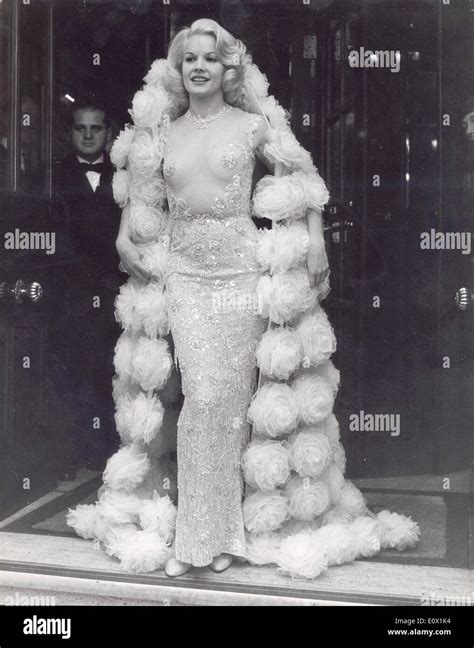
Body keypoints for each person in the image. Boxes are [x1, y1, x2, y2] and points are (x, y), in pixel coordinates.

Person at [67, 19, 420, 581]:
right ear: (179, 70)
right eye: (190, 59)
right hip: (184, 276)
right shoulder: (162, 135)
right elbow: (137, 202)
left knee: (228, 407)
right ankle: (199, 535)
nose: (200, 66)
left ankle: (224, 533)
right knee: (201, 399)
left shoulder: (253, 126)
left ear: (228, 67)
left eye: (211, 58)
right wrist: (119, 238)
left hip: (239, 275)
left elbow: (303, 178)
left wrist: (315, 240)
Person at [53, 100, 122, 478]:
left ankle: (106, 453)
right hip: (71, 292)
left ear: (109, 134)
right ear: (70, 133)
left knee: (107, 369)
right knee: (71, 371)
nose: (89, 135)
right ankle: (70, 453)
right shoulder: (54, 177)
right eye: (82, 128)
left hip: (113, 290)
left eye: (96, 128)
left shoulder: (124, 177)